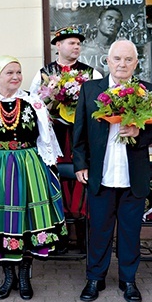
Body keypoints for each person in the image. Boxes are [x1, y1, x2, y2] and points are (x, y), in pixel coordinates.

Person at [0, 56, 67, 300]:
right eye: (10, 73)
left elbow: (46, 138)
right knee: (3, 221)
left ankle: (24, 275)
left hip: (29, 166)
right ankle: (8, 275)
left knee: (28, 222)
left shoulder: (34, 101)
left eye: (18, 72)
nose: (16, 77)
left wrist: (49, 166)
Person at [73, 39, 152, 302]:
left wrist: (140, 131)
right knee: (99, 229)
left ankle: (128, 280)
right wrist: (80, 164)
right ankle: (95, 278)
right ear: (108, 61)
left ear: (136, 63)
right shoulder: (91, 90)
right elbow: (79, 130)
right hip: (100, 174)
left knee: (129, 231)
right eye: (117, 59)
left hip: (133, 174)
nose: (122, 64)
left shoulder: (148, 91)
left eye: (128, 60)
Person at [28, 26, 101, 238]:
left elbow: (99, 104)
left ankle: (83, 233)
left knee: (83, 175)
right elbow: (34, 104)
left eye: (79, 43)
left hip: (82, 137)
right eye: (72, 42)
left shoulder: (91, 73)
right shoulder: (43, 74)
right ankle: (57, 231)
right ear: (58, 45)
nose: (76, 46)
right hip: (55, 135)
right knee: (54, 176)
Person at [81, 6, 124, 75]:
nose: (113, 23)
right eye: (109, 19)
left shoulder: (123, 51)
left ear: (120, 27)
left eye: (117, 21)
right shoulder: (84, 50)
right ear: (98, 22)